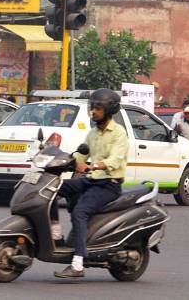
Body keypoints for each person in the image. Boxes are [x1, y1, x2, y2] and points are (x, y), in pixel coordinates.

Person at [53, 88, 129, 280]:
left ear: (109, 111)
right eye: (92, 107)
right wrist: (63, 160)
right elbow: (81, 154)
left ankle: (78, 264)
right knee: (50, 189)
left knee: (80, 212)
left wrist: (90, 166)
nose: (93, 112)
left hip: (109, 185)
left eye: (97, 108)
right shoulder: (93, 133)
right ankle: (56, 235)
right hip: (91, 180)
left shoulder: (119, 134)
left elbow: (115, 161)